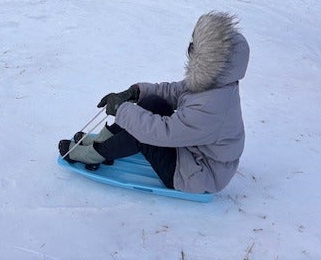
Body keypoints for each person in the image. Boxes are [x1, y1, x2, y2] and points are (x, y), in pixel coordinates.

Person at [58, 11, 249, 194]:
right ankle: (103, 141)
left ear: (213, 62)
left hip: (195, 175)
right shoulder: (215, 83)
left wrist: (121, 110)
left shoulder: (213, 107)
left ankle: (94, 154)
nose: (191, 50)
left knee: (143, 133)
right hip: (191, 152)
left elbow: (163, 132)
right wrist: (136, 93)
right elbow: (175, 91)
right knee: (154, 103)